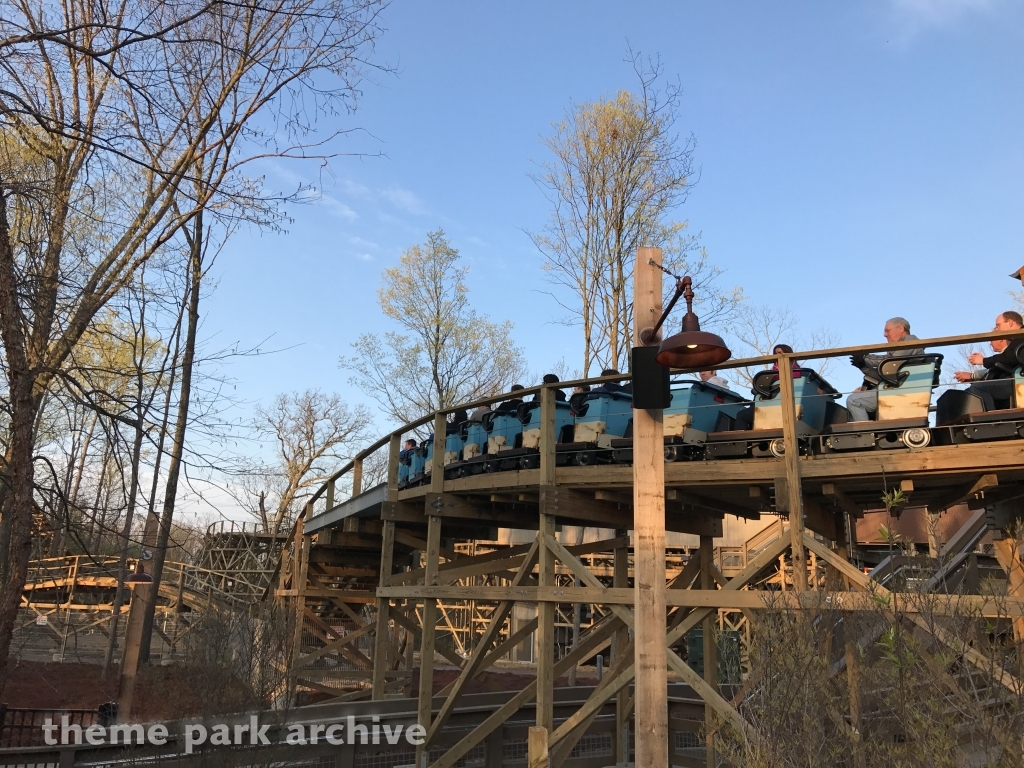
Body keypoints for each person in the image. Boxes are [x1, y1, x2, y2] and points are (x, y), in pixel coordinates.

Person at [846, 317, 924, 422]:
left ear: (900, 328)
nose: (885, 335)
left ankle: (865, 435)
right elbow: (884, 376)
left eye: (887, 331)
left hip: (901, 390)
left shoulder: (910, 342)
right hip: (896, 387)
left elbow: (889, 361)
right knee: (856, 398)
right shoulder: (898, 350)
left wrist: (865, 357)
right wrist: (863, 366)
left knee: (853, 400)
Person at [953, 311, 1024, 410]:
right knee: (966, 393)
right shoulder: (1017, 340)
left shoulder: (1021, 337)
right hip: (1015, 380)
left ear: (1010, 323)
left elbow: (1008, 358)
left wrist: (984, 361)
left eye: (998, 326)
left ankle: (991, 421)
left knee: (978, 388)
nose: (997, 330)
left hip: (1017, 382)